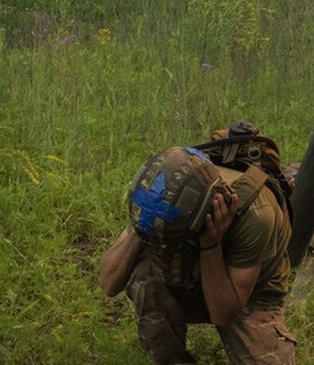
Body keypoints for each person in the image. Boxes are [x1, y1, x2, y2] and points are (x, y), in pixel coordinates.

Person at [99, 130, 296, 364]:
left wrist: (210, 245)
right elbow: (109, 283)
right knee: (142, 273)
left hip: (251, 291)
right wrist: (144, 225)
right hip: (191, 270)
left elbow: (223, 314)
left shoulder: (256, 215)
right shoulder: (165, 196)